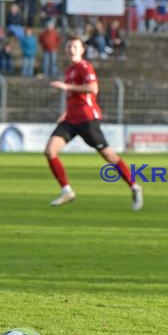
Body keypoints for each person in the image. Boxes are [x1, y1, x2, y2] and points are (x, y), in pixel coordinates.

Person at [45, 35, 143, 211]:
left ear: (82, 50)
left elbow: (93, 88)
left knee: (110, 157)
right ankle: (67, 191)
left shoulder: (84, 67)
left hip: (87, 119)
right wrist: (65, 113)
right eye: (69, 46)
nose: (71, 49)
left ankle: (134, 186)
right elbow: (75, 98)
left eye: (75, 46)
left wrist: (68, 87)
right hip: (71, 120)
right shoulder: (69, 71)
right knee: (50, 151)